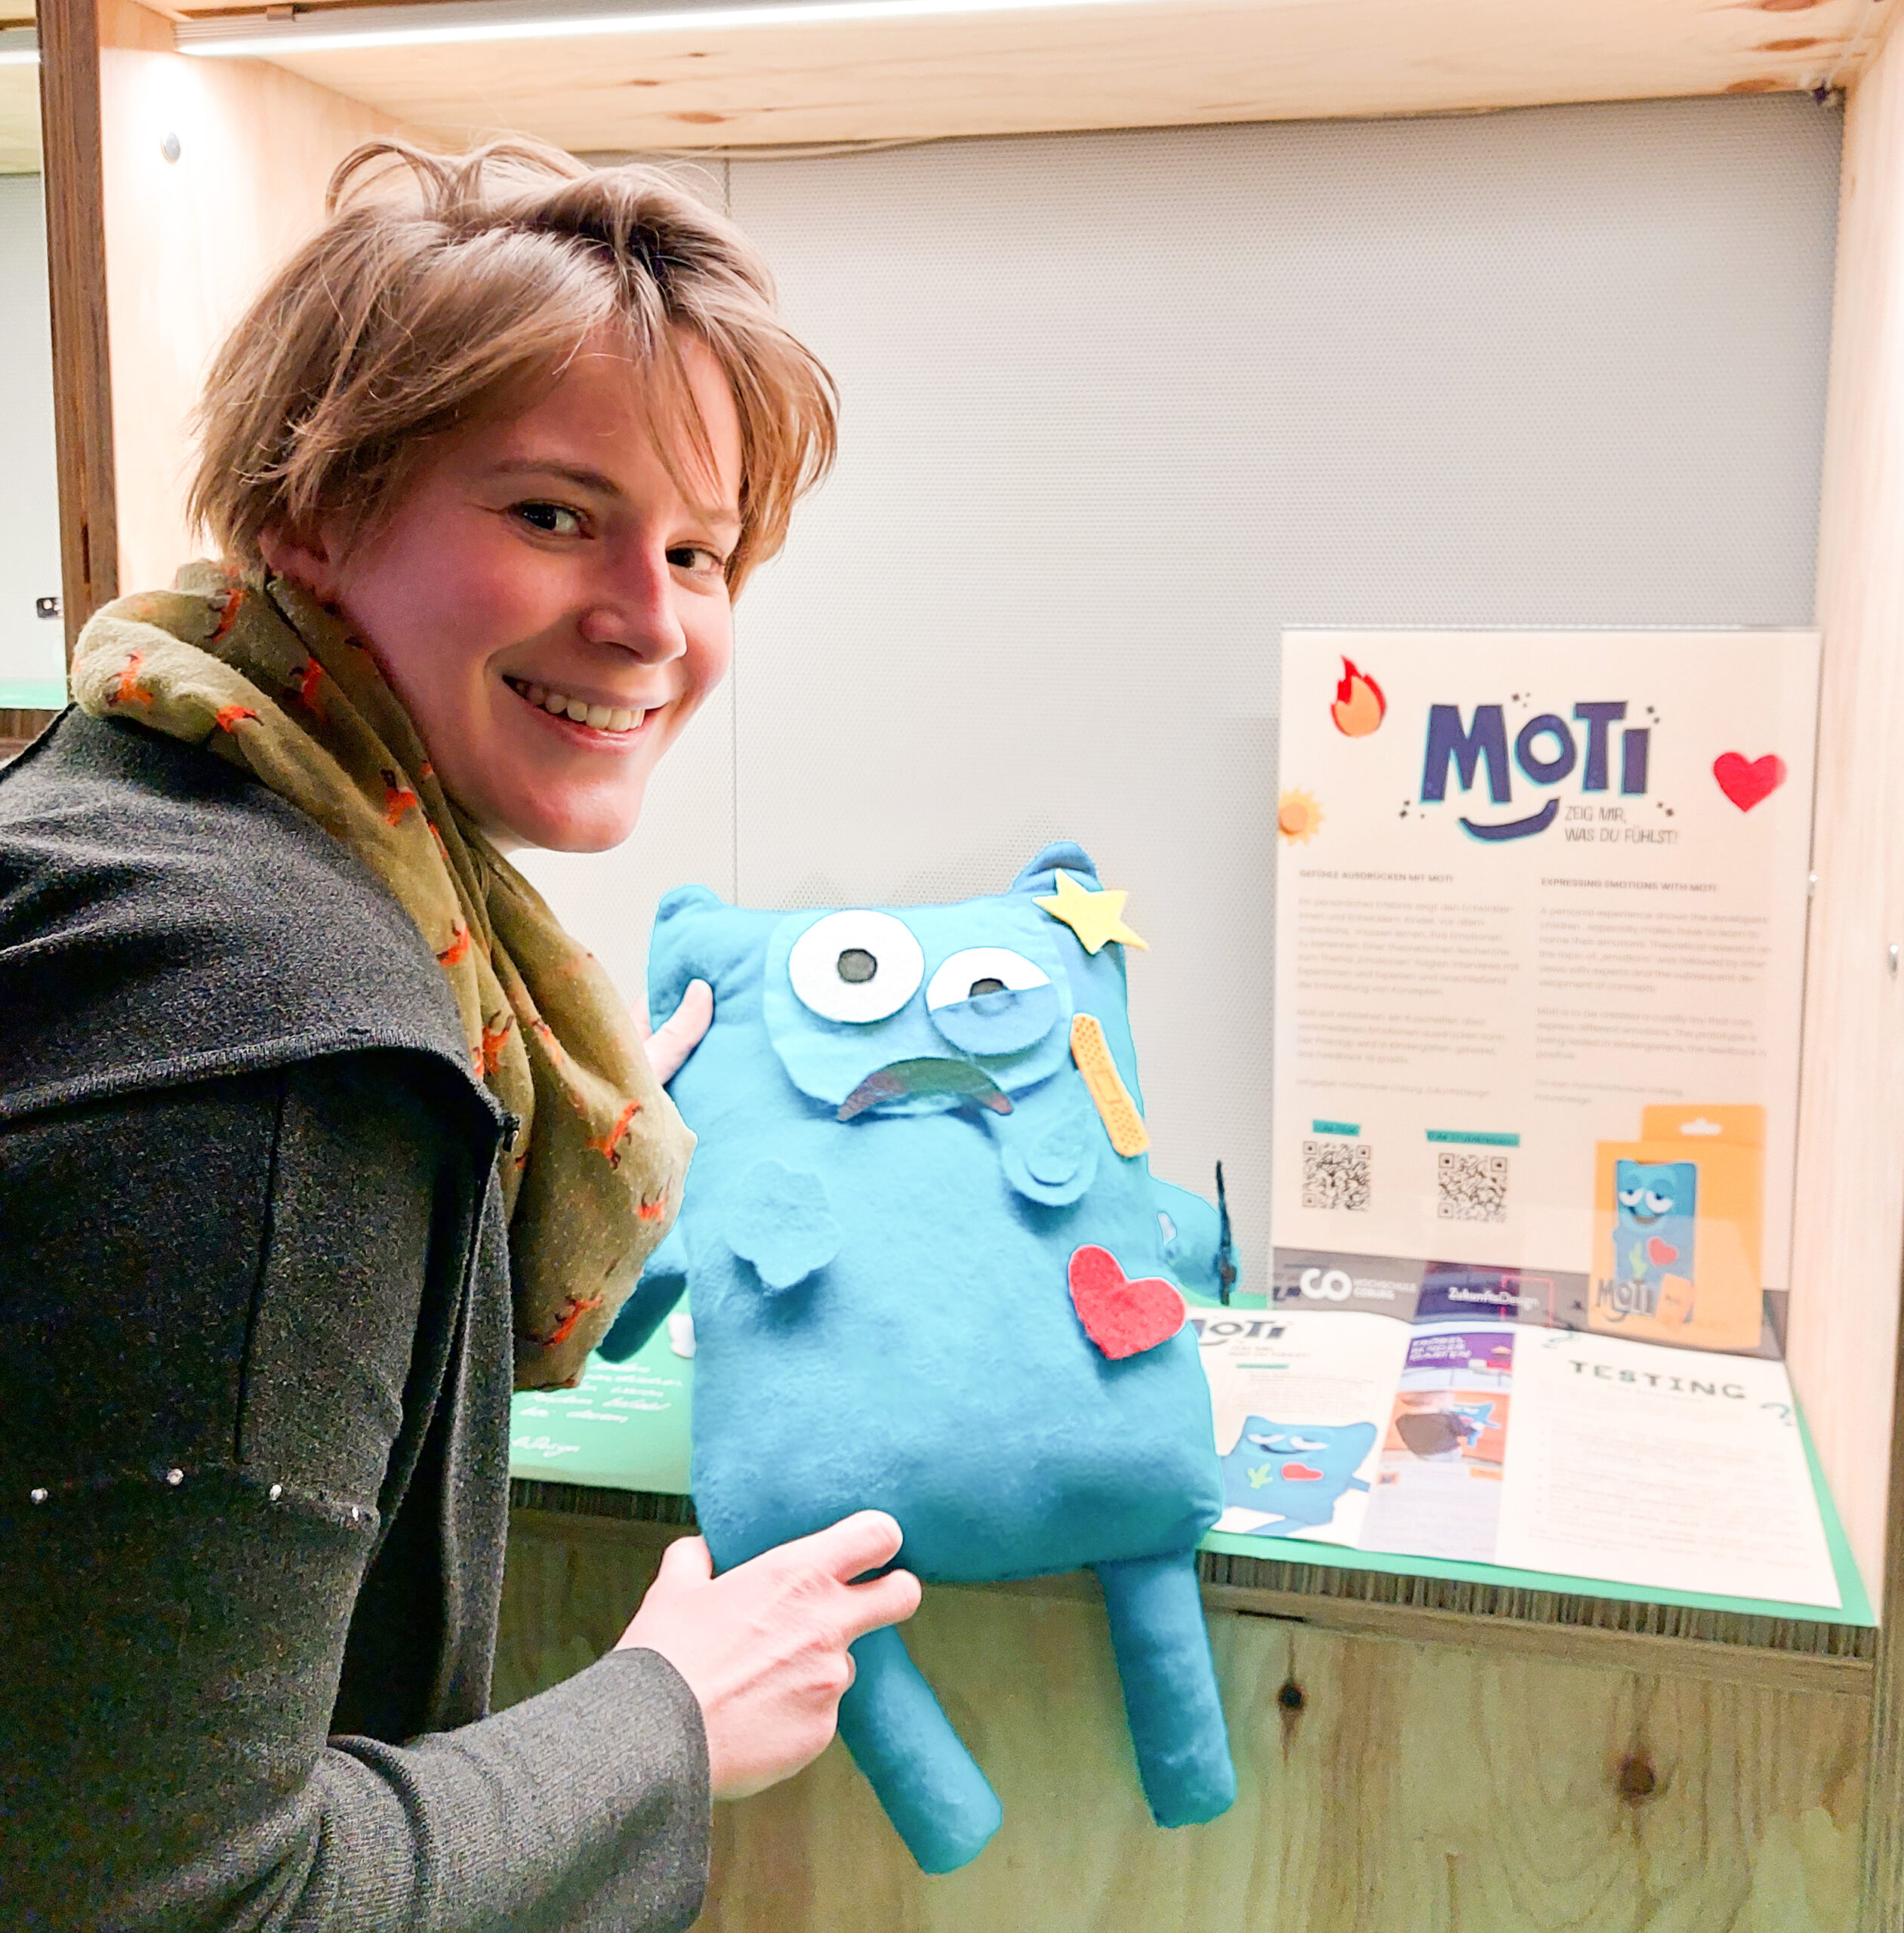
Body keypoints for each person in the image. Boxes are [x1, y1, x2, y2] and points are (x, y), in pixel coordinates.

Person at [0, 140, 920, 1930]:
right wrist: (669, 1713)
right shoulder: (275, 1038)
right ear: (314, 511)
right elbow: (182, 1901)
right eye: (554, 514)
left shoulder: (126, 816)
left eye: (701, 549)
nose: (651, 619)